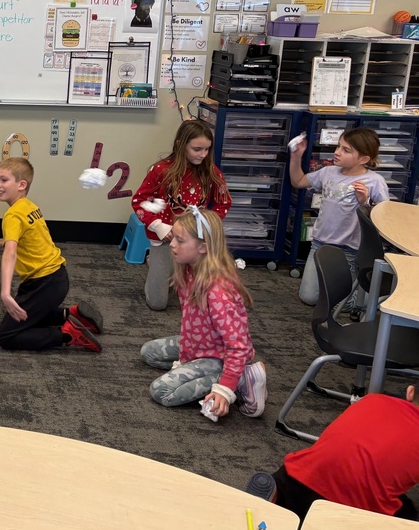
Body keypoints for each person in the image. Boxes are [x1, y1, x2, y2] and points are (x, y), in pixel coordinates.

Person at [140, 208, 267, 419]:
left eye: (180, 241)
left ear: (203, 248)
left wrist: (224, 389)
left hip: (222, 355)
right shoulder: (189, 269)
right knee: (149, 352)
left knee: (161, 391)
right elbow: (189, 321)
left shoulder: (218, 291)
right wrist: (186, 358)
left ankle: (243, 378)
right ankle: (210, 369)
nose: (171, 244)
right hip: (200, 344)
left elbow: (238, 346)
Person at [0, 157, 104, 353]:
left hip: (43, 284)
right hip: (57, 278)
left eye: (4, 180)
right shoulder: (29, 206)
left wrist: (4, 293)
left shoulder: (12, 215)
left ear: (22, 184)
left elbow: (11, 253)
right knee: (24, 313)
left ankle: (68, 334)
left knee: (6, 336)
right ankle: (71, 314)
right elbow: (30, 238)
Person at [246, 387, 419, 522]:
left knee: (313, 469)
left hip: (300, 477)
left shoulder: (373, 399)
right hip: (354, 508)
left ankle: (278, 495)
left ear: (410, 392)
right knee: (407, 516)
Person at [132, 119, 231, 311]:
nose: (203, 155)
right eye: (197, 149)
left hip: (197, 241)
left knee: (201, 302)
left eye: (207, 149)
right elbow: (139, 202)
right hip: (165, 239)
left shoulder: (211, 172)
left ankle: (177, 273)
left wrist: (206, 226)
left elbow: (224, 202)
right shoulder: (161, 170)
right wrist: (158, 226)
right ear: (180, 144)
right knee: (157, 303)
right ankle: (157, 265)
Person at [289, 127, 389, 306]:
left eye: (346, 150)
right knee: (309, 297)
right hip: (320, 244)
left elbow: (384, 217)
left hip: (350, 250)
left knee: (342, 304)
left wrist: (365, 202)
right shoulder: (328, 172)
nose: (337, 152)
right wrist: (296, 157)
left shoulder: (375, 182)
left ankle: (376, 298)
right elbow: (298, 181)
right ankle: (339, 291)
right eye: (338, 147)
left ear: (364, 159)